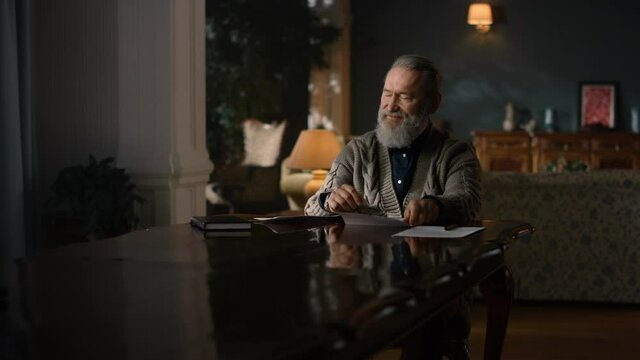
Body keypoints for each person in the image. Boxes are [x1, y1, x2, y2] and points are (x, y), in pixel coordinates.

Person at [304, 54, 481, 227]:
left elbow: (467, 203)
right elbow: (311, 210)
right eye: (387, 94)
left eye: (405, 97)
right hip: (367, 255)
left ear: (433, 103)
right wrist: (328, 201)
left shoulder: (456, 153)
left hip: (430, 254)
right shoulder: (357, 151)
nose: (391, 106)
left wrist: (436, 207)